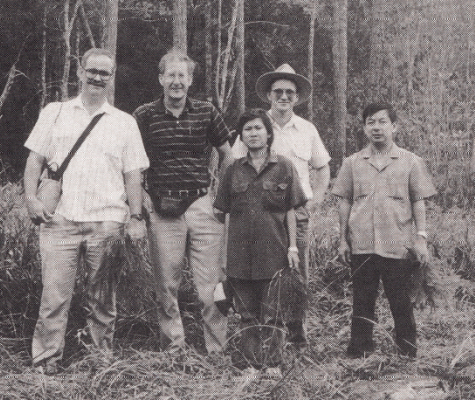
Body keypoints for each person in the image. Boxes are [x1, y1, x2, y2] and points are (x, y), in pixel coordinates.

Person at [23, 48, 150, 374]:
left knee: (103, 299)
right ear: (80, 72)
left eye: (103, 73)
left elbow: (133, 174)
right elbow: (35, 159)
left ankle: (99, 361)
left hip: (107, 223)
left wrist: (135, 218)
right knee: (54, 297)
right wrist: (31, 198)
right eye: (91, 71)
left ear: (111, 77)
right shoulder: (55, 112)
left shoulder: (124, 122)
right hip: (59, 220)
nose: (96, 77)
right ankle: (46, 362)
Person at [133, 49, 232, 355]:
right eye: (170, 75)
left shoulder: (207, 111)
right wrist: (143, 198)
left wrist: (221, 197)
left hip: (203, 205)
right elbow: (133, 163)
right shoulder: (144, 116)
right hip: (163, 211)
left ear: (190, 80)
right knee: (166, 287)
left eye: (182, 76)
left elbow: (228, 154)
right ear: (161, 78)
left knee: (210, 287)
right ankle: (173, 350)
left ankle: (217, 351)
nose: (176, 81)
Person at [232, 64, 331, 347]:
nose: (284, 97)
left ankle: (298, 335)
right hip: (259, 215)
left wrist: (316, 199)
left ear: (297, 97)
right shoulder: (256, 126)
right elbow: (236, 166)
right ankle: (264, 333)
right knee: (261, 271)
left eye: (290, 92)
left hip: (296, 214)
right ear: (269, 95)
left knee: (296, 272)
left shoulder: (307, 129)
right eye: (278, 92)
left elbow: (322, 168)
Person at [331, 102, 437, 358]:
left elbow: (418, 201)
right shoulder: (352, 163)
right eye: (371, 122)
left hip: (397, 243)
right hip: (362, 243)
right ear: (364, 128)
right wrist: (342, 240)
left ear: (394, 126)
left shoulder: (411, 162)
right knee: (362, 301)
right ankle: (360, 352)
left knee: (400, 300)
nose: (376, 127)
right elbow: (344, 201)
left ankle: (407, 352)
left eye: (382, 122)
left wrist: (421, 238)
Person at [214, 109, 306, 379]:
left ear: (269, 133)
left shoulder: (285, 166)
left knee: (274, 311)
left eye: (258, 128)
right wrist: (223, 258)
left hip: (274, 251)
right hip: (240, 254)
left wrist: (292, 248)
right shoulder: (232, 170)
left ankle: (274, 363)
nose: (253, 134)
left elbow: (291, 209)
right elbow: (224, 214)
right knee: (246, 313)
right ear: (241, 136)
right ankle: (252, 365)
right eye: (247, 130)